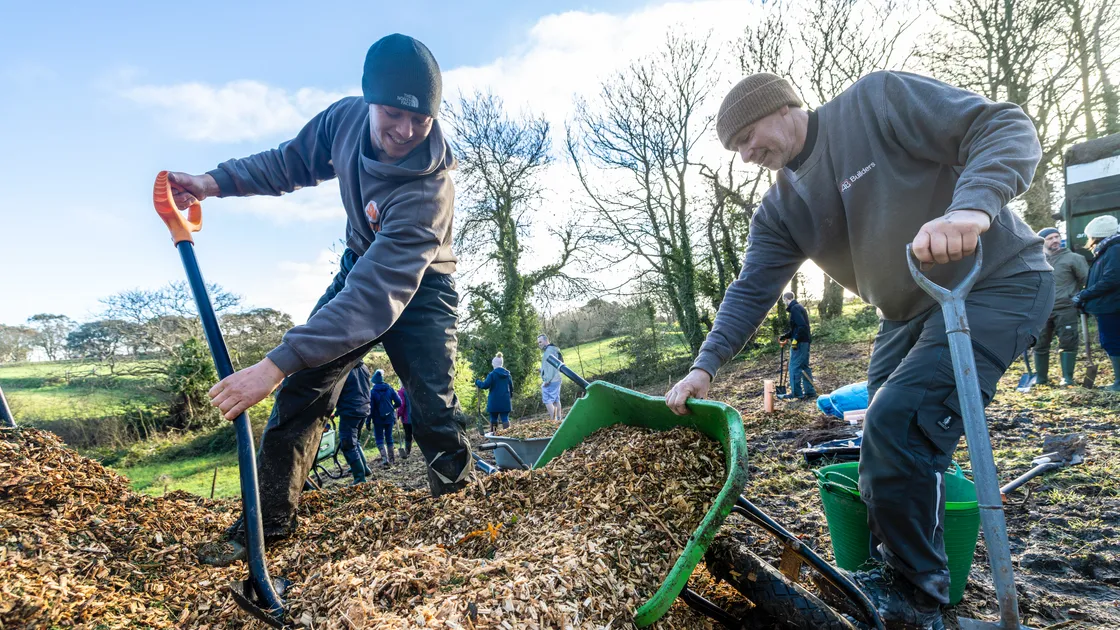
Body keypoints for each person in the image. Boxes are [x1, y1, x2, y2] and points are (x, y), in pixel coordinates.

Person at [664, 71, 1053, 629]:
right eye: (737, 150)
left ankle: (918, 598)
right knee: (880, 423)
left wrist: (971, 207)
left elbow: (1002, 124)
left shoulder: (875, 103)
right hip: (908, 311)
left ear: (784, 107)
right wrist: (705, 366)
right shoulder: (780, 210)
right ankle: (899, 567)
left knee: (900, 420)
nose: (747, 155)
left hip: (992, 280)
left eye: (748, 137)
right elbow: (750, 289)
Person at [169, 34, 472, 561]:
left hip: (420, 288)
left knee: (432, 410)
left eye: (420, 119)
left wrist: (272, 363)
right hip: (361, 265)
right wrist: (210, 182)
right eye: (393, 115)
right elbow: (287, 163)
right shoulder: (344, 122)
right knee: (304, 392)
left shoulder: (430, 190)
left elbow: (374, 300)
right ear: (369, 100)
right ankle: (266, 527)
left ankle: (462, 511)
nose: (405, 130)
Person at [1034, 227, 1089, 386]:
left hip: (1065, 307)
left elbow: (1087, 281)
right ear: (1042, 242)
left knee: (1068, 342)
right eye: (1050, 238)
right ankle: (1041, 379)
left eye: (1057, 237)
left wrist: (1079, 299)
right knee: (1040, 343)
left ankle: (1067, 378)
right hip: (1042, 311)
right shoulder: (1036, 260)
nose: (1055, 240)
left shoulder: (1074, 258)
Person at [1073, 215, 1120, 391]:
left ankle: (1119, 384)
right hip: (1110, 305)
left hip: (1113, 306)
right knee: (1112, 341)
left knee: (1113, 342)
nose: (1088, 239)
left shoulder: (1114, 250)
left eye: (1089, 235)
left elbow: (1111, 280)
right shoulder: (1107, 250)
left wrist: (1084, 295)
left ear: (1097, 235)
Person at [336, 364, 373, 484]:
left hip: (350, 411)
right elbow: (356, 390)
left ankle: (359, 478)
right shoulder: (363, 367)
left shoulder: (345, 369)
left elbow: (337, 391)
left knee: (348, 444)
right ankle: (365, 469)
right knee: (355, 441)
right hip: (363, 408)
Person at [778, 291, 816, 400]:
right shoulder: (799, 307)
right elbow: (797, 328)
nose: (784, 302)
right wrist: (785, 336)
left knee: (794, 367)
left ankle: (796, 393)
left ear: (786, 299)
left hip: (800, 343)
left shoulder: (794, 309)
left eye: (784, 300)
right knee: (804, 366)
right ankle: (810, 392)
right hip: (805, 341)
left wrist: (795, 340)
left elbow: (802, 326)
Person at [369, 369, 402, 467]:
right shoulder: (389, 388)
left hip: (378, 419)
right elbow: (399, 402)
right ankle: (392, 460)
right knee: (389, 437)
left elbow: (371, 408)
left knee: (379, 438)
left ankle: (385, 459)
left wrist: (368, 421)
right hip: (390, 418)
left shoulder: (373, 392)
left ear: (374, 382)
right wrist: (392, 408)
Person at [475, 352, 514, 432]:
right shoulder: (508, 375)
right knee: (505, 418)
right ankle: (507, 435)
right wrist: (510, 397)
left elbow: (485, 385)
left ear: (494, 364)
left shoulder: (492, 375)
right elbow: (511, 388)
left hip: (494, 401)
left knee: (493, 418)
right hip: (505, 400)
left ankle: (494, 435)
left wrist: (478, 382)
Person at [537, 335, 563, 421]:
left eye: (540, 342)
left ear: (546, 340)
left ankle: (554, 420)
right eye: (538, 343)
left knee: (547, 400)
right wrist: (542, 370)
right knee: (555, 400)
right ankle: (559, 419)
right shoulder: (554, 350)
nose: (539, 344)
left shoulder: (548, 351)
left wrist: (547, 380)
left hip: (551, 380)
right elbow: (553, 366)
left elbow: (552, 367)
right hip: (557, 378)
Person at [396, 385, 413, 459]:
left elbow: (401, 404)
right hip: (417, 416)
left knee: (408, 434)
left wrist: (398, 414)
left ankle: (407, 451)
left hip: (407, 417)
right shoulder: (413, 389)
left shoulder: (402, 391)